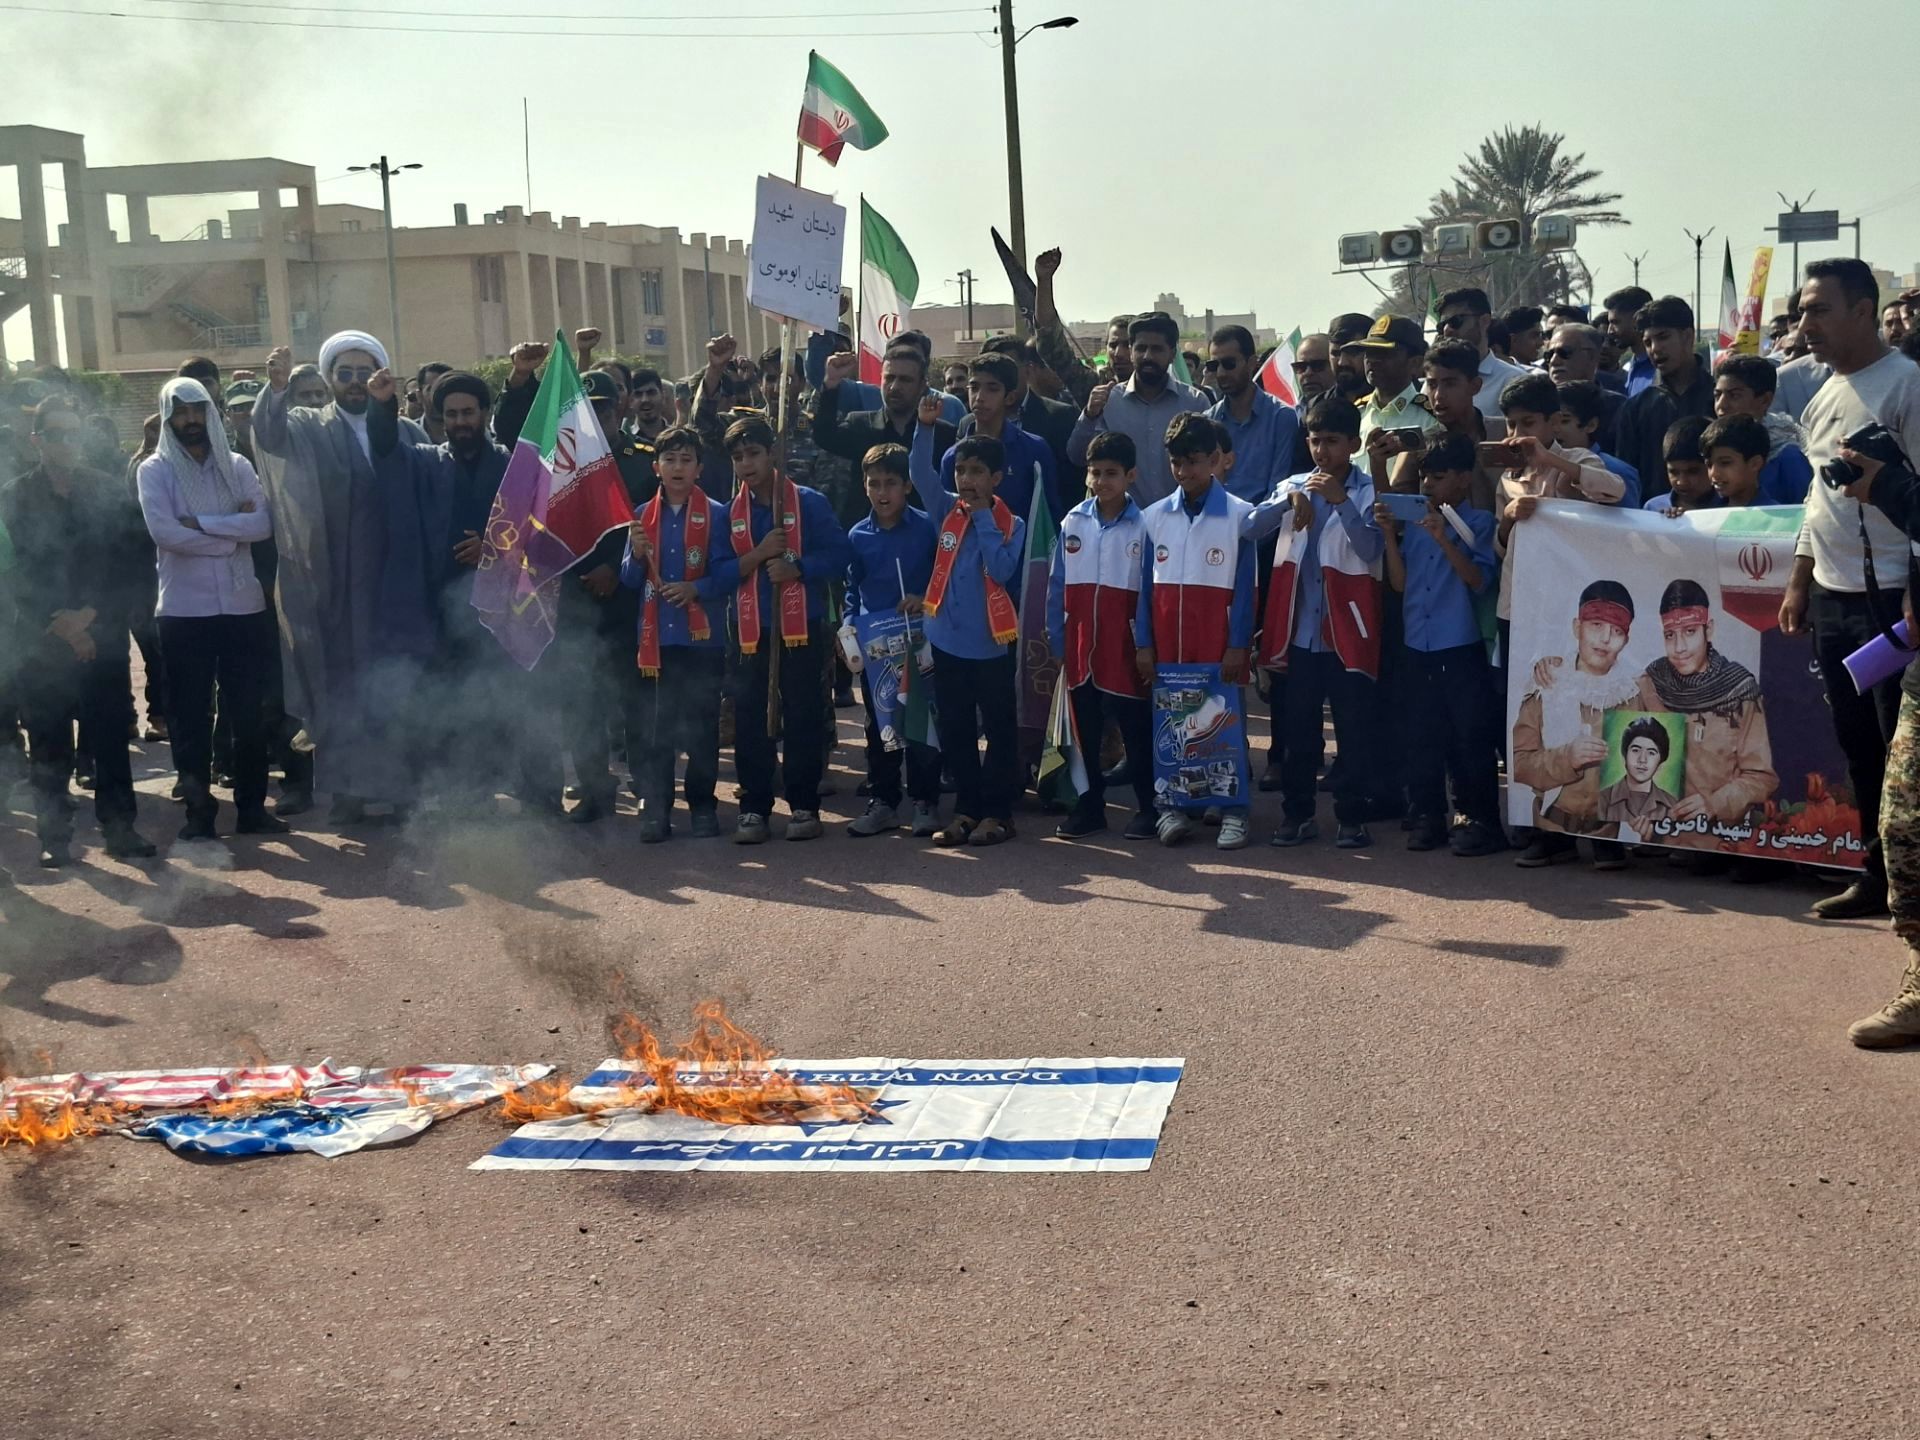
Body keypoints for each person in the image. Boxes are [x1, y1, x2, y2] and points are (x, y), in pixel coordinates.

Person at [1780, 257, 1920, 928]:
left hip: (1893, 600)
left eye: (1819, 310)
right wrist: (1800, 577)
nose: (1805, 325)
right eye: (1803, 311)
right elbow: (1817, 496)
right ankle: (1875, 874)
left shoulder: (1906, 386)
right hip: (1833, 599)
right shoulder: (1822, 394)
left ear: (1864, 311)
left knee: (1903, 755)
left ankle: (1909, 889)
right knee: (1857, 742)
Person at [367, 365, 559, 818]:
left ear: (485, 413)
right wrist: (381, 406)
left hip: (509, 606)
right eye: (451, 415)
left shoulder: (512, 466)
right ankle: (468, 794)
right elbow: (386, 451)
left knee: (519, 699)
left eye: (468, 412)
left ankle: (540, 792)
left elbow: (539, 527)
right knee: (459, 703)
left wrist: (493, 549)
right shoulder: (428, 462)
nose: (459, 422)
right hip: (444, 609)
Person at [253, 334, 423, 823]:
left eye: (363, 371)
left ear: (382, 375)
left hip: (395, 581)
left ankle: (400, 789)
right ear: (329, 378)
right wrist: (278, 387)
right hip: (337, 580)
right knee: (344, 683)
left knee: (396, 684)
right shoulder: (310, 426)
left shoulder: (407, 430)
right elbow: (269, 435)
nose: (354, 382)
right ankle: (347, 791)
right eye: (343, 372)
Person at [0, 396, 157, 867]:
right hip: (40, 639)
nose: (65, 443)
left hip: (102, 636)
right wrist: (62, 623)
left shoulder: (108, 491)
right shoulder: (12, 497)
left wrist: (89, 616)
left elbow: (132, 562)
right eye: (54, 435)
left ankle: (120, 828)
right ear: (37, 440)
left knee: (109, 736)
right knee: (48, 743)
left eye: (72, 433)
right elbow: (12, 572)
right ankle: (55, 836)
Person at [135, 377, 284, 840]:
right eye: (180, 413)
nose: (190, 421)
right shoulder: (154, 471)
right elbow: (164, 534)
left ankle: (252, 810)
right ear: (167, 417)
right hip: (185, 611)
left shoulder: (236, 465)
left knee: (248, 713)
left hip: (242, 607)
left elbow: (262, 524)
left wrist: (201, 523)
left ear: (210, 413)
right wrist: (229, 536)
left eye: (197, 410)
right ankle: (199, 815)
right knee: (190, 717)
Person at [1251, 397, 1384, 849]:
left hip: (1348, 633)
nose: (1322, 451)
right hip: (1301, 637)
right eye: (1314, 440)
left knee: (1354, 732)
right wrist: (1289, 499)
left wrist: (1341, 502)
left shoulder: (1366, 491)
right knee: (1298, 733)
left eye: (1331, 441)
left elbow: (1371, 551)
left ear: (1354, 443)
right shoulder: (1295, 484)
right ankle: (1298, 814)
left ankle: (1351, 817)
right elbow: (1250, 528)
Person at [1372, 434, 1505, 856]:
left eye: (1439, 476)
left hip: (1459, 643)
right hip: (1418, 642)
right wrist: (1390, 538)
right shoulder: (1413, 523)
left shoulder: (1479, 523)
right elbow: (1399, 583)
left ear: (1464, 480)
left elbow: (1479, 580)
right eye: (1425, 476)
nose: (1428, 484)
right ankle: (1428, 814)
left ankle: (1477, 818)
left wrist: (1444, 537)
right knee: (1422, 735)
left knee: (1469, 736)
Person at [725, 414, 852, 844]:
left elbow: (839, 553)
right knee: (751, 717)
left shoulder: (808, 502)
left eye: (754, 453)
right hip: (749, 630)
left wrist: (797, 567)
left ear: (773, 453)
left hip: (801, 627)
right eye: (738, 457)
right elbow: (720, 570)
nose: (746, 464)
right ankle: (754, 807)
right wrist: (759, 556)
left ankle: (803, 804)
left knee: (802, 714)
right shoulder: (730, 513)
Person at [909, 394, 1027, 847]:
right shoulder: (945, 511)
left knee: (998, 728)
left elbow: (1000, 570)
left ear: (995, 478)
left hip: (991, 644)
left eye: (977, 472)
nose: (967, 480)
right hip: (946, 638)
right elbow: (920, 474)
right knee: (956, 728)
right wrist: (924, 427)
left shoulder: (1008, 522)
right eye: (961, 471)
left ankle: (998, 813)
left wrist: (982, 519)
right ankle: (966, 809)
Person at [1136, 413, 1257, 849]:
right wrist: (1144, 643)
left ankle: (1234, 811)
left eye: (1194, 461)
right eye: (1176, 462)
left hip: (1218, 645)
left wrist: (1238, 644)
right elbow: (1144, 589)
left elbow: (1246, 590)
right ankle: (1171, 807)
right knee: (1173, 723)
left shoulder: (1241, 516)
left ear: (1215, 459)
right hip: (1169, 648)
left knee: (1222, 724)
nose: (1185, 472)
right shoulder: (1153, 518)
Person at [619, 425, 739, 843]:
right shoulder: (639, 517)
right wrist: (635, 555)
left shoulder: (718, 514)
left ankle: (703, 806)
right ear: (656, 467)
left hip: (701, 639)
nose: (677, 467)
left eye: (686, 460)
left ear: (699, 469)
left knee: (702, 727)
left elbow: (727, 572)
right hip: (655, 642)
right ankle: (657, 809)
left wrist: (696, 588)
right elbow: (630, 581)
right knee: (657, 729)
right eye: (669, 459)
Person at [1049, 431, 1156, 840]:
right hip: (1080, 648)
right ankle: (1090, 808)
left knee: (1135, 731)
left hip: (1124, 649)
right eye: (1095, 472)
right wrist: (1057, 641)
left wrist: (1145, 644)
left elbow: (1148, 591)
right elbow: (1057, 586)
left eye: (1111, 473)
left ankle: (1148, 807)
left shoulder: (1145, 526)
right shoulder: (1072, 521)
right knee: (1085, 735)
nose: (1101, 481)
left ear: (1131, 475)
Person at [841, 441, 941, 839]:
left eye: (891, 483)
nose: (883, 493)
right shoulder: (858, 535)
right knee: (878, 724)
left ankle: (924, 800)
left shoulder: (928, 526)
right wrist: (849, 626)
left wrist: (925, 598)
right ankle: (883, 800)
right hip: (876, 647)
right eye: (874, 484)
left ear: (908, 487)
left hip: (920, 643)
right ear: (864, 486)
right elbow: (852, 588)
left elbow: (944, 575)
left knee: (920, 721)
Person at [1512, 580, 1643, 869]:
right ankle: (1555, 840)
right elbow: (1519, 762)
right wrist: (1566, 758)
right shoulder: (1546, 681)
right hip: (1550, 816)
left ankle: (1605, 842)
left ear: (1627, 640)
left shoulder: (1631, 692)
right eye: (1596, 625)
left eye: (1617, 630)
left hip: (1607, 824)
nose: (1605, 638)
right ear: (1576, 627)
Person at [1634, 579, 1777, 835]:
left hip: (1722, 840)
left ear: (1708, 630)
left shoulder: (1738, 689)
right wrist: (1637, 806)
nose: (1679, 648)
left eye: (1689, 632)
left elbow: (1761, 778)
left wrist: (1715, 803)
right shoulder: (1650, 684)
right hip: (1663, 844)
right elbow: (1629, 765)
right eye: (1670, 635)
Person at [1067, 311, 1210, 508]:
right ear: (1132, 351)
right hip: (1124, 528)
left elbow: (1210, 468)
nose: (1148, 356)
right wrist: (1090, 415)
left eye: (1157, 349)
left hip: (1181, 526)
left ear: (1172, 353)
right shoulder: (1108, 402)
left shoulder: (1195, 403)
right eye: (1141, 348)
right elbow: (1077, 456)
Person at [1613, 297, 1716, 498]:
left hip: (1713, 519)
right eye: (1648, 342)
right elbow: (1627, 476)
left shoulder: (1721, 398)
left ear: (1687, 336)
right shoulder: (1635, 407)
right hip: (1653, 522)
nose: (1655, 348)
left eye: (1663, 337)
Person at [945, 353, 1061, 523]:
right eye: (974, 387)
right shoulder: (952, 457)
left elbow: (1050, 514)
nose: (980, 397)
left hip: (1023, 548)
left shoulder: (1034, 449)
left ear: (1010, 397)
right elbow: (945, 517)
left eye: (992, 389)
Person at [813, 345, 958, 474]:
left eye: (905, 380)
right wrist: (831, 382)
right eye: (889, 378)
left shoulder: (942, 436)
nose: (894, 387)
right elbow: (824, 436)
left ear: (922, 386)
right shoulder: (860, 425)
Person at [1203, 324, 1301, 507]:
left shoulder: (1281, 417)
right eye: (1214, 365)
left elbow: (1278, 490)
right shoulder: (1207, 421)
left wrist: (1248, 525)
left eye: (1229, 364)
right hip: (1216, 527)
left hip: (1265, 528)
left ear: (1251, 363)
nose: (1221, 373)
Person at [1031, 247, 1133, 409]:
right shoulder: (1095, 386)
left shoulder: (1172, 393)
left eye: (1127, 345)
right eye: (1113, 345)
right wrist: (1044, 281)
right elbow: (1050, 343)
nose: (1119, 353)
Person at [1711, 354, 1811, 503]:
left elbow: (1803, 514)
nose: (1721, 405)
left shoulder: (1788, 458)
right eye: (1717, 395)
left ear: (1765, 400)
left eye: (1734, 396)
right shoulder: (1710, 446)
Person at [1353, 315, 1443, 468]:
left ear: (1415, 363)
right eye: (1369, 352)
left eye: (1383, 353)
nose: (1372, 360)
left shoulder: (1430, 417)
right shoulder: (1356, 414)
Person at [1436, 287, 1533, 418]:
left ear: (1484, 321)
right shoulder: (1433, 383)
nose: (1447, 330)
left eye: (1455, 321)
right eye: (1442, 325)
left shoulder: (1513, 380)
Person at [1555, 381, 1640, 507]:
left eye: (1564, 421)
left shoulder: (1617, 472)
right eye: (1550, 420)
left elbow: (1628, 523)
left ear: (1591, 425)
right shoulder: (1541, 464)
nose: (1555, 428)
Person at [1543, 323, 1625, 453]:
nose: (1554, 361)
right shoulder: (1536, 405)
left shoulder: (1620, 409)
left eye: (1564, 353)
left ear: (1592, 356)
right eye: (1549, 355)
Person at [1597, 715, 1681, 833]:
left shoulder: (1672, 805)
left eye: (1651, 753)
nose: (1642, 759)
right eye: (1636, 750)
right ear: (1624, 757)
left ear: (1660, 764)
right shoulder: (1602, 800)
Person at [1700, 414, 1772, 508]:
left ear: (1755, 464)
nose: (1714, 474)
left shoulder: (1780, 519)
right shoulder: (1705, 513)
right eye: (1709, 465)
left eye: (1725, 463)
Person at [1602, 285, 1656, 398]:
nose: (1610, 331)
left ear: (1637, 320)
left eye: (1615, 322)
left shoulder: (1660, 368)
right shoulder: (1631, 367)